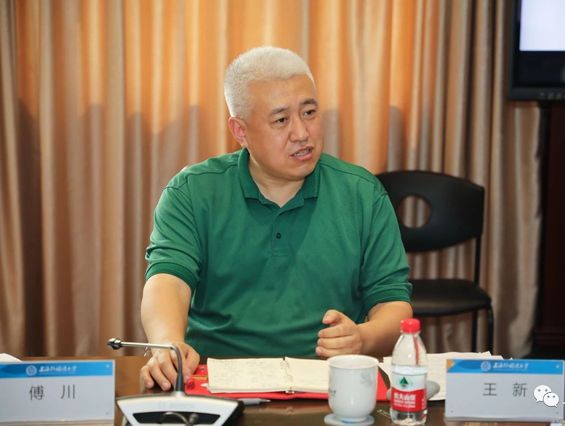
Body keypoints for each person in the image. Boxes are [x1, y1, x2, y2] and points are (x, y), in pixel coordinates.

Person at [140, 46, 412, 391]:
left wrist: (363, 337)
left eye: (309, 113)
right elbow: (168, 280)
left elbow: (393, 302)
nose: (302, 133)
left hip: (329, 382)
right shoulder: (193, 191)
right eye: (281, 120)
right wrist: (168, 343)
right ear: (240, 131)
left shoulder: (362, 193)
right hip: (218, 380)